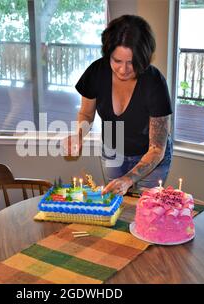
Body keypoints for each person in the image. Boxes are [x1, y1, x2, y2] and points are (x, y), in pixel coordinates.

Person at [63, 15, 173, 196]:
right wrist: (78, 135)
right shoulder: (96, 72)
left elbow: (157, 149)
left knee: (145, 211)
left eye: (131, 62)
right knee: (115, 206)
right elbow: (87, 114)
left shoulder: (155, 82)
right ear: (108, 55)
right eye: (117, 61)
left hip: (151, 159)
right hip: (112, 153)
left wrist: (129, 179)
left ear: (144, 58)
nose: (123, 69)